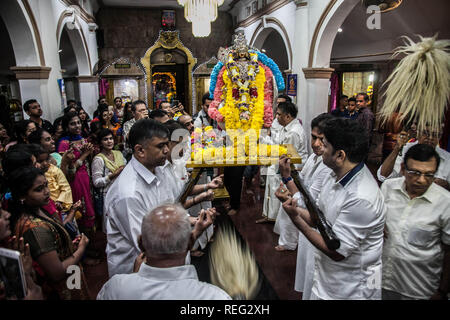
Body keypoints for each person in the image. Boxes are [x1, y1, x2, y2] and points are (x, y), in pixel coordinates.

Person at [281, 118, 386, 299]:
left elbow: (336, 251)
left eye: (325, 144)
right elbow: (319, 219)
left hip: (351, 287)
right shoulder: (335, 174)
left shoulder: (361, 197)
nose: (320, 146)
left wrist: (296, 219)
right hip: (328, 277)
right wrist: (296, 210)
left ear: (340, 155)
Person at [97, 203, 229, 300]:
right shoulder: (215, 297)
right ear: (190, 243)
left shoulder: (115, 288)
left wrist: (133, 277)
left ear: (141, 243)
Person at [104, 119, 175, 277]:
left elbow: (169, 209)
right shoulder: (128, 193)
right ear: (140, 150)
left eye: (167, 144)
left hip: (162, 260)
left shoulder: (160, 170)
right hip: (134, 272)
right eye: (160, 146)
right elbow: (146, 244)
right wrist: (190, 235)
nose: (166, 150)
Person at [274, 113, 333, 299]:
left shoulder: (328, 165)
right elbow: (305, 184)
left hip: (315, 225)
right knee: (308, 271)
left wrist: (287, 178)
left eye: (321, 139)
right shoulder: (315, 158)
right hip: (309, 225)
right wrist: (290, 178)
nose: (315, 144)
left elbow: (310, 202)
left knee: (313, 274)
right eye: (314, 137)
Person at [8, 167, 90, 299]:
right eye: (39, 189)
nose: (47, 192)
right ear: (22, 196)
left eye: (46, 185)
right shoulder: (35, 228)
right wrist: (81, 249)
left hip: (71, 276)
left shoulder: (38, 209)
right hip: (62, 287)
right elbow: (56, 273)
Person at [381, 144, 450, 300]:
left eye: (429, 174)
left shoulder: (445, 203)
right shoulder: (388, 188)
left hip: (419, 290)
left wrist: (442, 291)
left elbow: (449, 251)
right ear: (403, 168)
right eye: (415, 173)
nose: (422, 180)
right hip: (379, 282)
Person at [257, 101, 308, 224]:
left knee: (277, 185)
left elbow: (287, 155)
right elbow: (279, 145)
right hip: (280, 161)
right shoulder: (287, 127)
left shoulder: (293, 132)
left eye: (279, 115)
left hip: (290, 167)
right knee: (270, 178)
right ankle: (270, 216)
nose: (276, 117)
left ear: (288, 116)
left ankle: (276, 219)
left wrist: (266, 142)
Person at [57, 112, 98, 263]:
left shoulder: (84, 139)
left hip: (86, 178)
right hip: (75, 181)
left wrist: (91, 152)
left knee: (90, 211)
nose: (77, 126)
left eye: (78, 123)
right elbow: (69, 171)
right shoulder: (64, 143)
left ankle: (89, 247)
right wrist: (84, 154)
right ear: (67, 126)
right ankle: (82, 254)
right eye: (73, 124)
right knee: (80, 213)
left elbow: (91, 161)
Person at [377, 125, 450, 190]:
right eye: (426, 133)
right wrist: (397, 149)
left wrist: (447, 185)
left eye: (435, 135)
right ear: (418, 133)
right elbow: (383, 176)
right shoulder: (404, 149)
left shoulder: (447, 158)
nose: (430, 138)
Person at [91, 129, 126, 230]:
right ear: (100, 143)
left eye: (111, 138)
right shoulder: (99, 159)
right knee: (111, 227)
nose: (109, 141)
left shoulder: (118, 154)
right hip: (108, 196)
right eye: (105, 139)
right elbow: (96, 182)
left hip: (121, 193)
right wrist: (113, 175)